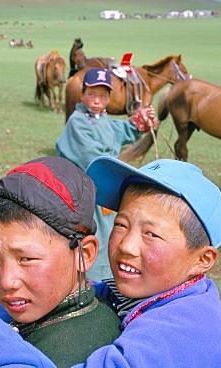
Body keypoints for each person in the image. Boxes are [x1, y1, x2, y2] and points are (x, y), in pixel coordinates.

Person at [0, 156, 221, 367]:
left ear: (202, 260)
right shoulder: (143, 294)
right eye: (121, 225)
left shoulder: (182, 330)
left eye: (151, 234)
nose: (127, 245)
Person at [0, 156, 122, 367]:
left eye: (26, 259)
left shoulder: (65, 355)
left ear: (85, 254)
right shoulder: (90, 308)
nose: (7, 282)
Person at [55, 67, 156, 281]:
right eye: (91, 94)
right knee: (94, 239)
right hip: (87, 195)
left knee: (111, 235)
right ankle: (91, 282)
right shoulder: (77, 121)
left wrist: (140, 120)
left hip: (105, 193)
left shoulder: (103, 120)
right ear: (82, 95)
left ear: (109, 98)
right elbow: (93, 159)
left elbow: (124, 130)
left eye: (102, 95)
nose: (97, 100)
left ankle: (109, 279)